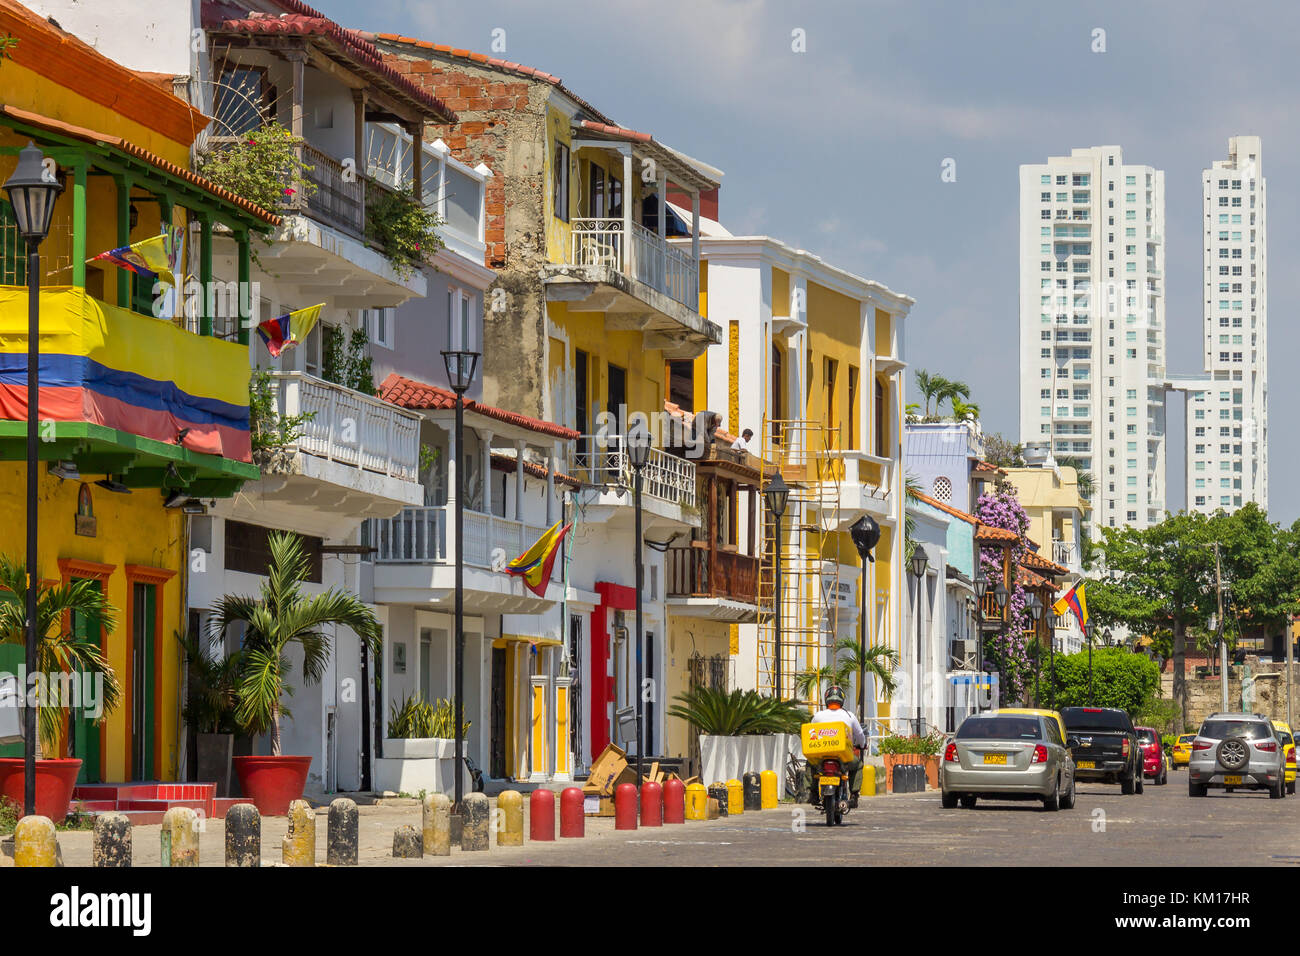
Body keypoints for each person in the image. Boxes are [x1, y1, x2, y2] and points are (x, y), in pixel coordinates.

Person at [806, 684, 867, 807]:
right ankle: (854, 795)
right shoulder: (849, 715)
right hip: (843, 757)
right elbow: (860, 735)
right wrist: (862, 744)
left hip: (821, 756)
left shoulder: (818, 716)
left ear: (827, 699)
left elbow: (811, 731)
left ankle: (812, 793)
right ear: (842, 700)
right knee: (858, 765)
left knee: (810, 763)